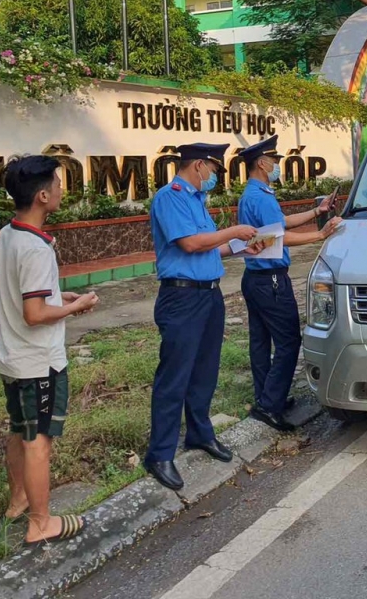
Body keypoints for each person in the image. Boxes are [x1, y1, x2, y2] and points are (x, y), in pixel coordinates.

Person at [144, 143, 262, 491]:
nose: (213, 176)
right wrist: (234, 231)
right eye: (212, 169)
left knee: (205, 371)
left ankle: (200, 433)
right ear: (198, 166)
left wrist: (243, 246)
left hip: (209, 294)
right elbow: (191, 244)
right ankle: (160, 453)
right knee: (175, 376)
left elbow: (213, 246)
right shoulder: (171, 197)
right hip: (181, 297)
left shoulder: (196, 200)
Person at [0, 155, 99, 544]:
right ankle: (41, 523)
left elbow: (30, 294)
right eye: (56, 183)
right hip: (38, 363)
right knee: (38, 441)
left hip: (12, 357)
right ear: (42, 195)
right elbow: (35, 313)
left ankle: (18, 500)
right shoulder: (35, 249)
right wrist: (77, 306)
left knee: (19, 429)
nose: (60, 188)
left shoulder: (10, 233)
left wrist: (60, 294)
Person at [237, 137, 342, 431]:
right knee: (287, 341)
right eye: (276, 161)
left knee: (260, 342)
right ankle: (270, 406)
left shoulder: (254, 194)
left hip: (254, 278)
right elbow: (276, 238)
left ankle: (267, 397)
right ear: (262, 163)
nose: (278, 166)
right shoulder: (260, 197)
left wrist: (316, 212)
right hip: (270, 280)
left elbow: (280, 224)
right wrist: (320, 236)